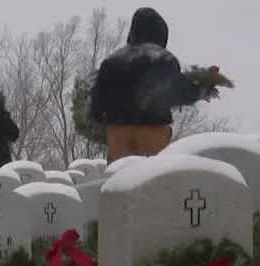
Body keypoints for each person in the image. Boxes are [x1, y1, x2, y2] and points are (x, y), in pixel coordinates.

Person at [90, 7, 221, 163]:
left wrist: (103, 120)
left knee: (118, 180)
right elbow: (178, 92)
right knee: (154, 181)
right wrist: (202, 89)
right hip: (153, 132)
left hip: (118, 133)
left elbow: (97, 104)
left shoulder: (110, 62)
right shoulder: (164, 60)